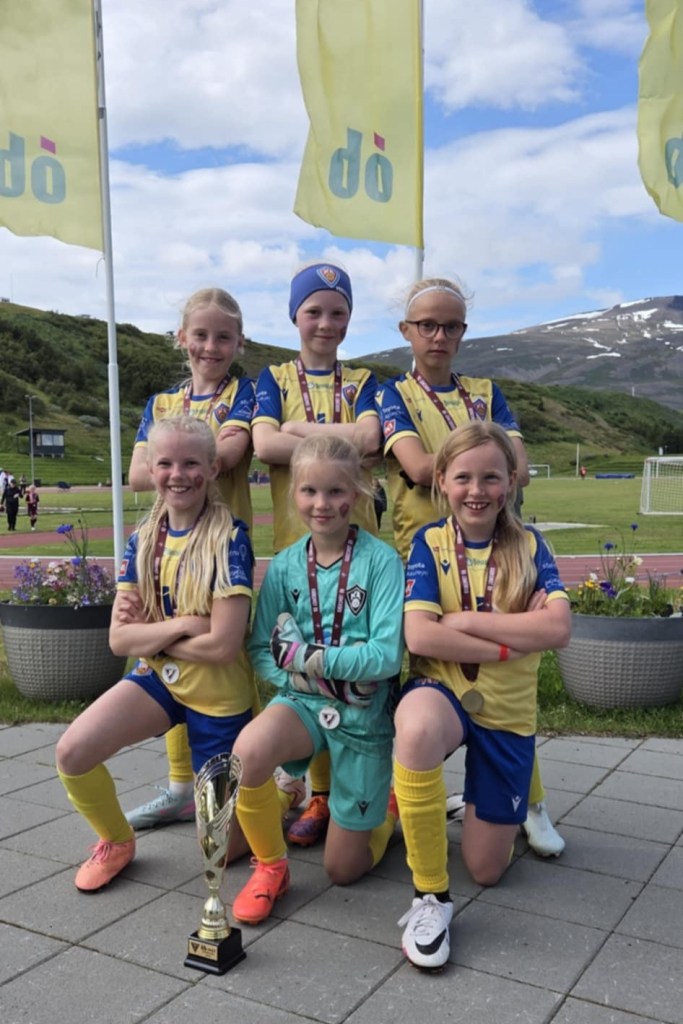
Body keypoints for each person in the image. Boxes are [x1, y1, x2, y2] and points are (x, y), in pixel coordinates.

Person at [376, 277, 563, 858]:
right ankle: (410, 794)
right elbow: (416, 467)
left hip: (499, 545)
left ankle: (527, 800)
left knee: (505, 690)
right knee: (427, 686)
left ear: (463, 331)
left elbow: (520, 469)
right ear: (407, 331)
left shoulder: (485, 391)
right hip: (425, 548)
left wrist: (473, 467)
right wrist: (484, 457)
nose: (439, 335)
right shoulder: (391, 394)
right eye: (427, 325)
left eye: (451, 325)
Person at [55, 416, 259, 892]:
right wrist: (183, 625)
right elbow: (119, 640)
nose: (178, 474)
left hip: (218, 695)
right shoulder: (143, 538)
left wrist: (151, 632)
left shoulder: (230, 539)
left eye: (191, 463)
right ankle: (117, 841)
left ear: (212, 468)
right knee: (72, 751)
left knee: (219, 851)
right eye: (165, 463)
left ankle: (267, 795)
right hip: (161, 680)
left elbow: (223, 645)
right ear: (151, 469)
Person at [395, 421, 571, 969]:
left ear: (511, 482)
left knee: (487, 871)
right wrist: (511, 639)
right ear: (442, 481)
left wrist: (465, 620)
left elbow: (557, 629)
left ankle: (479, 804)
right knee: (417, 727)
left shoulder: (531, 545)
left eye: (491, 477)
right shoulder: (429, 542)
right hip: (443, 688)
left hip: (506, 712)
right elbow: (420, 637)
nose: (477, 490)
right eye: (463, 477)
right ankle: (429, 896)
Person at [231, 435, 404, 925]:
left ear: (358, 492)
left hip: (363, 714)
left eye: (335, 491)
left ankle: (387, 809)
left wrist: (306, 659)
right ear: (294, 495)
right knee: (248, 752)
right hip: (303, 703)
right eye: (309, 491)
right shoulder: (285, 565)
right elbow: (262, 650)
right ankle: (271, 867)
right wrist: (310, 679)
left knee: (343, 870)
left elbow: (385, 657)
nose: (321, 503)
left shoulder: (382, 562)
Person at [251, 262, 382, 848]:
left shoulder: (367, 380)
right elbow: (263, 444)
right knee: (303, 667)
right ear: (294, 316)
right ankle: (308, 783)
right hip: (295, 544)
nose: (326, 323)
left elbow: (372, 439)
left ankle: (347, 790)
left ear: (349, 318)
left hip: (357, 544)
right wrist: (337, 437)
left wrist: (297, 429)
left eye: (338, 312)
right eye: (314, 311)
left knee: (352, 659)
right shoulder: (272, 377)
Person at [124, 287, 255, 832]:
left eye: (223, 337)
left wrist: (172, 452)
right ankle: (181, 787)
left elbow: (229, 455)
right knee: (169, 658)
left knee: (222, 661)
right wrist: (192, 452)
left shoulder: (245, 394)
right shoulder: (160, 403)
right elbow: (136, 476)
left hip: (218, 544)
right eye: (200, 334)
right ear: (181, 338)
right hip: (165, 543)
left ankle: (245, 781)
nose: (210, 346)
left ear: (239, 343)